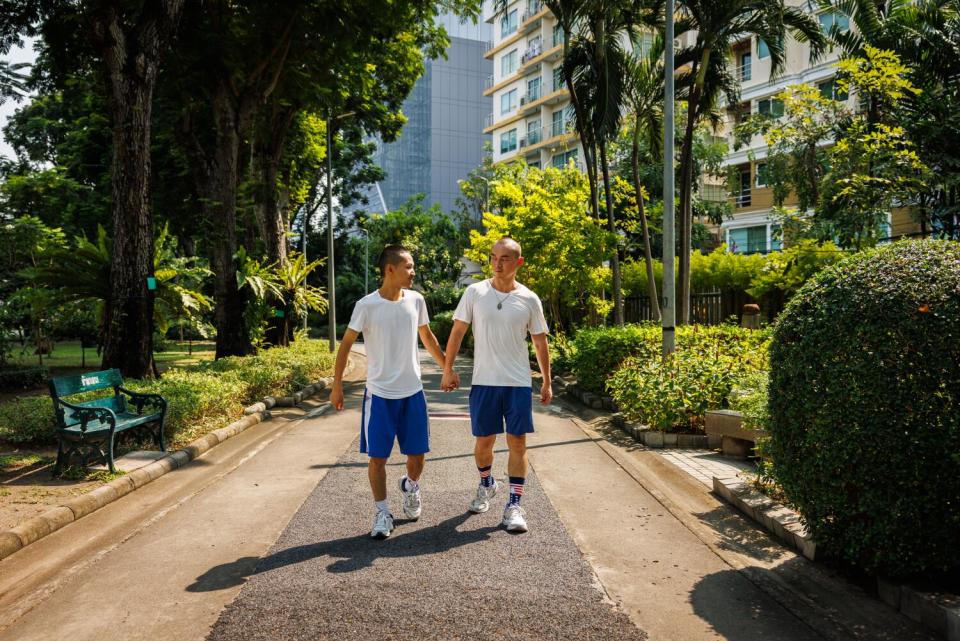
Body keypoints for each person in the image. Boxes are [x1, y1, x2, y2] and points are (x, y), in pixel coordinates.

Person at [329, 245, 454, 540]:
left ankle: (410, 486)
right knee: (377, 459)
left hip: (413, 392)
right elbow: (346, 344)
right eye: (408, 267)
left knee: (418, 457)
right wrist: (337, 384)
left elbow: (428, 336)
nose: (413, 272)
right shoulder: (366, 305)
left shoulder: (417, 300)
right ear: (390, 270)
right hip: (380, 395)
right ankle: (383, 512)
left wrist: (447, 368)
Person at [441, 237, 551, 533]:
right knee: (484, 443)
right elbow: (457, 332)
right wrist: (447, 369)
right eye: (493, 257)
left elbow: (540, 342)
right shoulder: (475, 292)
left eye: (504, 258)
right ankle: (487, 483)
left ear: (518, 262)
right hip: (485, 382)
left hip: (516, 383)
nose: (497, 263)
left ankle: (514, 505)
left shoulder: (529, 298)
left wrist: (547, 382)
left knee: (517, 442)